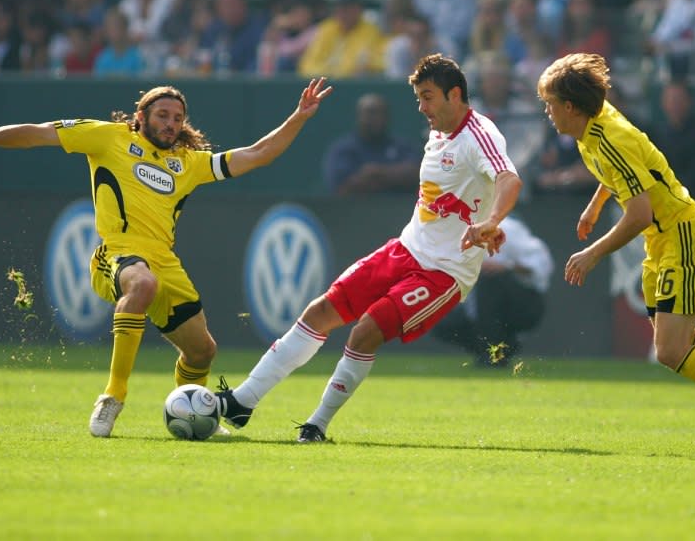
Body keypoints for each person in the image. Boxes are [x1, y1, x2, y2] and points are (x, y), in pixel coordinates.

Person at [0, 77, 333, 438]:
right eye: (162, 114)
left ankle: (193, 410)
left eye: (176, 118)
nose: (170, 123)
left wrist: (300, 116)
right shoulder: (108, 137)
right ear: (142, 115)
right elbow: (35, 132)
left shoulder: (188, 163)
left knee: (202, 352)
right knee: (143, 284)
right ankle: (113, 395)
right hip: (117, 254)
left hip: (165, 261)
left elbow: (257, 154)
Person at [215, 53, 523, 442]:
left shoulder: (480, 134)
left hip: (445, 271)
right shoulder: (438, 132)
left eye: (428, 97)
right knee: (322, 310)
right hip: (406, 248)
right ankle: (243, 401)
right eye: (418, 98)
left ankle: (317, 424)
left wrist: (491, 222)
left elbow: (509, 179)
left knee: (366, 330)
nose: (421, 107)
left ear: (455, 94)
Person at [526, 52, 695, 454]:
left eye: (549, 104)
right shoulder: (595, 126)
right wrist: (597, 204)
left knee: (671, 350)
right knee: (679, 339)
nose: (547, 112)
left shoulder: (608, 137)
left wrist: (593, 254)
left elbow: (639, 214)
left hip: (680, 232)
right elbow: (630, 170)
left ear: (570, 106)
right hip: (663, 238)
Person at [435, 214, 553, 365]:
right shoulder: (451, 232)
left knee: (489, 278)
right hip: (474, 308)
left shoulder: (508, 227)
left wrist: (505, 267)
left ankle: (495, 353)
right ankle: (491, 350)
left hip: (521, 305)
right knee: (437, 316)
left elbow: (539, 264)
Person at [322, 92, 421, 195]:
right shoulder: (343, 149)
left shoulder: (403, 146)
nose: (377, 118)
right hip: (357, 209)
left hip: (400, 208)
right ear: (359, 116)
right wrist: (392, 178)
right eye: (370, 113)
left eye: (382, 113)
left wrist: (376, 173)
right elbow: (341, 189)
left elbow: (418, 174)